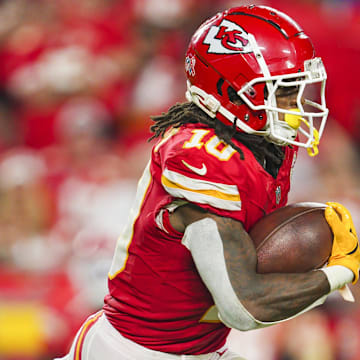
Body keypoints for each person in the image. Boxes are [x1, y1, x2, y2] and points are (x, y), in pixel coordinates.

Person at [56, 5, 360, 360]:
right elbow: (243, 306)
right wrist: (340, 272)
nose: (296, 106)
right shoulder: (202, 157)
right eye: (283, 91)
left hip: (200, 348)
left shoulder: (262, 144)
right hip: (135, 350)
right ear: (230, 91)